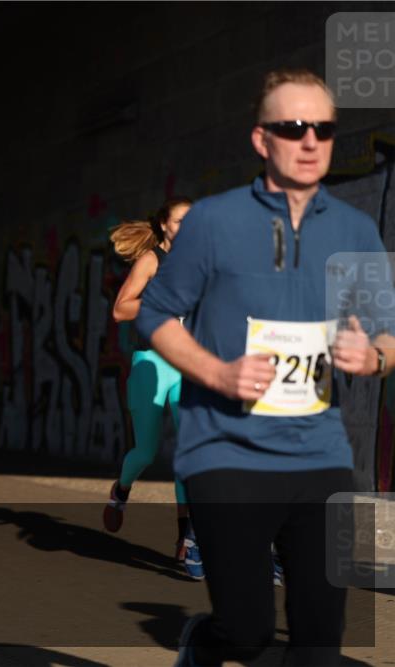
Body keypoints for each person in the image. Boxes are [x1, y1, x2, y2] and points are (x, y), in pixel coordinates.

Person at [134, 69, 395, 667]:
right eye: (293, 127)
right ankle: (205, 642)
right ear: (261, 139)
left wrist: (375, 356)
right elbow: (155, 316)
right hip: (226, 451)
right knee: (247, 632)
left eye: (323, 129)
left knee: (318, 644)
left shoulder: (356, 229)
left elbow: (389, 329)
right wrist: (218, 374)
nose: (310, 141)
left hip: (318, 455)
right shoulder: (211, 223)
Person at [103, 197, 204, 579]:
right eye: (180, 222)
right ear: (164, 226)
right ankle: (122, 490)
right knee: (145, 450)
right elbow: (119, 309)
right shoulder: (151, 260)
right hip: (151, 362)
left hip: (185, 364)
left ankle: (186, 539)